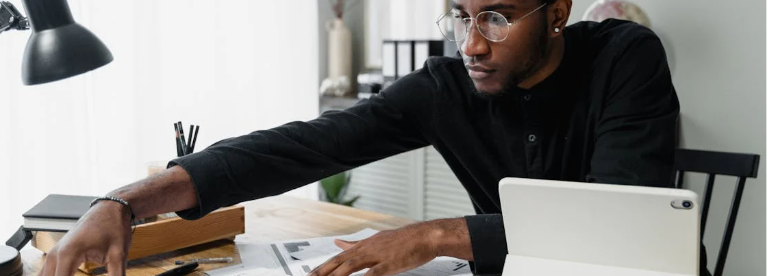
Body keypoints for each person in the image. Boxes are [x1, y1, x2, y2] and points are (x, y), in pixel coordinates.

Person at [38, 0, 710, 275]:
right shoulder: (446, 85)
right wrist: (123, 202)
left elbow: (620, 218)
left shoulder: (626, 56)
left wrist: (432, 236)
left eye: (498, 18)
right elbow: (302, 145)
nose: (472, 43)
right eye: (461, 15)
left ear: (557, 12)